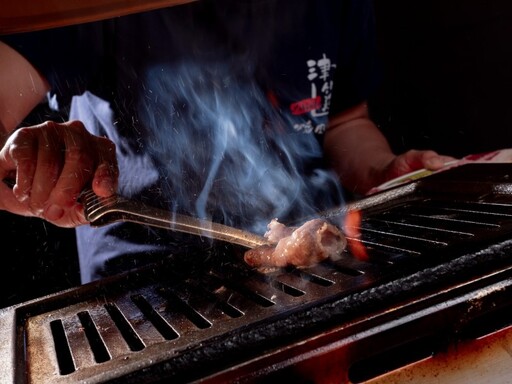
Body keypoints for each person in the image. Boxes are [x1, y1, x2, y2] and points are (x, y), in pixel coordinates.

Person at [0, 0, 454, 284]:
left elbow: (345, 121)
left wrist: (379, 169)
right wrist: (35, 153)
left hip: (313, 270)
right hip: (148, 280)